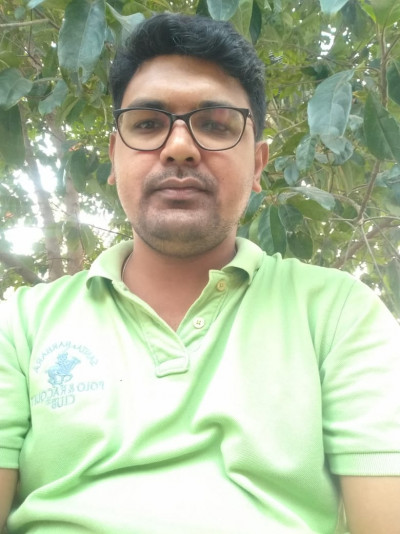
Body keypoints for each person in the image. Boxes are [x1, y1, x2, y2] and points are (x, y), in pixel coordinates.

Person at [0, 12, 399, 534]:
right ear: (115, 157)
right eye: (148, 124)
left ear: (258, 165)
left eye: (215, 124)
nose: (180, 147)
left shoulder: (338, 313)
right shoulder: (21, 325)